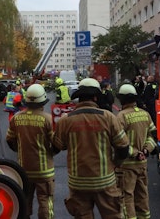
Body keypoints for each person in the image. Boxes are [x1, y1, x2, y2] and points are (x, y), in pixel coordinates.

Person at [52, 78, 131, 219]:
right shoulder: (108, 117)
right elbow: (123, 148)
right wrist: (115, 164)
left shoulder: (66, 120)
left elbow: (56, 147)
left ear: (79, 97)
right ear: (95, 97)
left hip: (78, 183)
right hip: (105, 181)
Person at [6, 84, 58, 219]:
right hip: (44, 171)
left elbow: (10, 140)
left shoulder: (16, 118)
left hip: (23, 171)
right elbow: (57, 144)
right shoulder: (48, 119)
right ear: (42, 102)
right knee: (45, 200)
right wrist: (51, 153)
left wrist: (19, 151)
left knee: (24, 201)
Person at [116, 84, 157, 219]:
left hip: (127, 165)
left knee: (127, 196)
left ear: (122, 99)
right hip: (142, 164)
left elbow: (118, 142)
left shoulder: (121, 116)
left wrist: (134, 152)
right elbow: (152, 136)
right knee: (142, 195)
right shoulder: (145, 114)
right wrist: (146, 150)